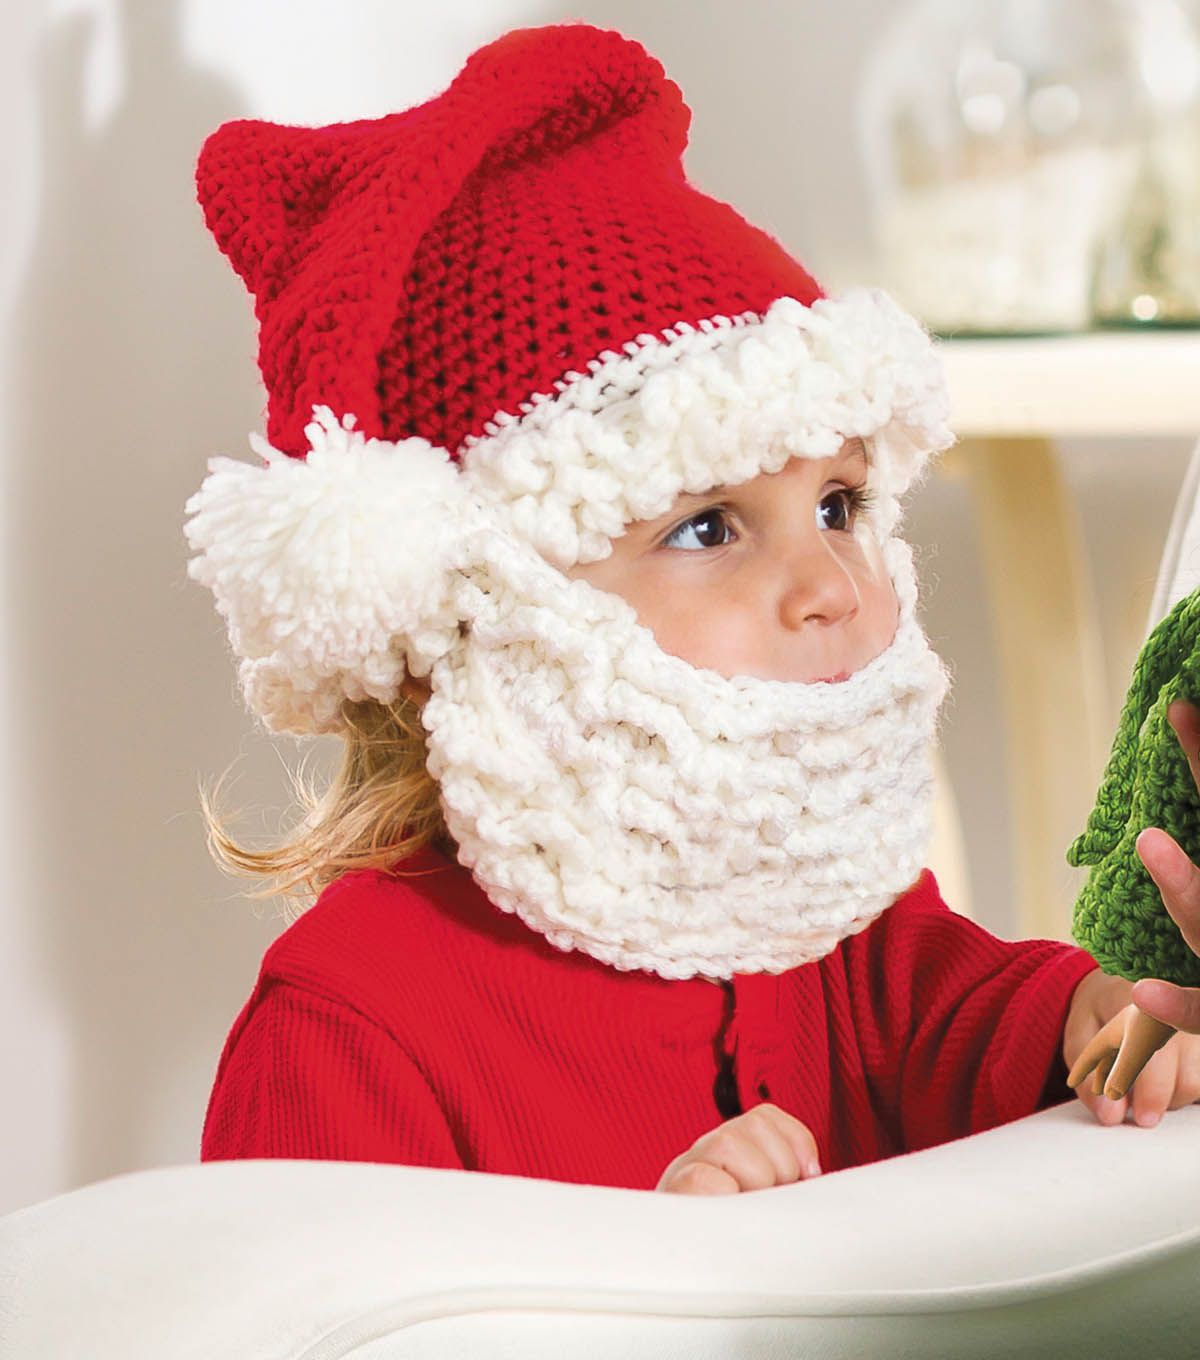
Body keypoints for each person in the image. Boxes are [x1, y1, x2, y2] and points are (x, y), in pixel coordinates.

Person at [187, 23, 1200, 1196]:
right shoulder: (353, 1027)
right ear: (468, 620)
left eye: (839, 501)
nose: (831, 583)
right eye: (708, 527)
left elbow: (977, 1015)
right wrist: (659, 1284)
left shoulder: (817, 910)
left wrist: (1105, 1018)